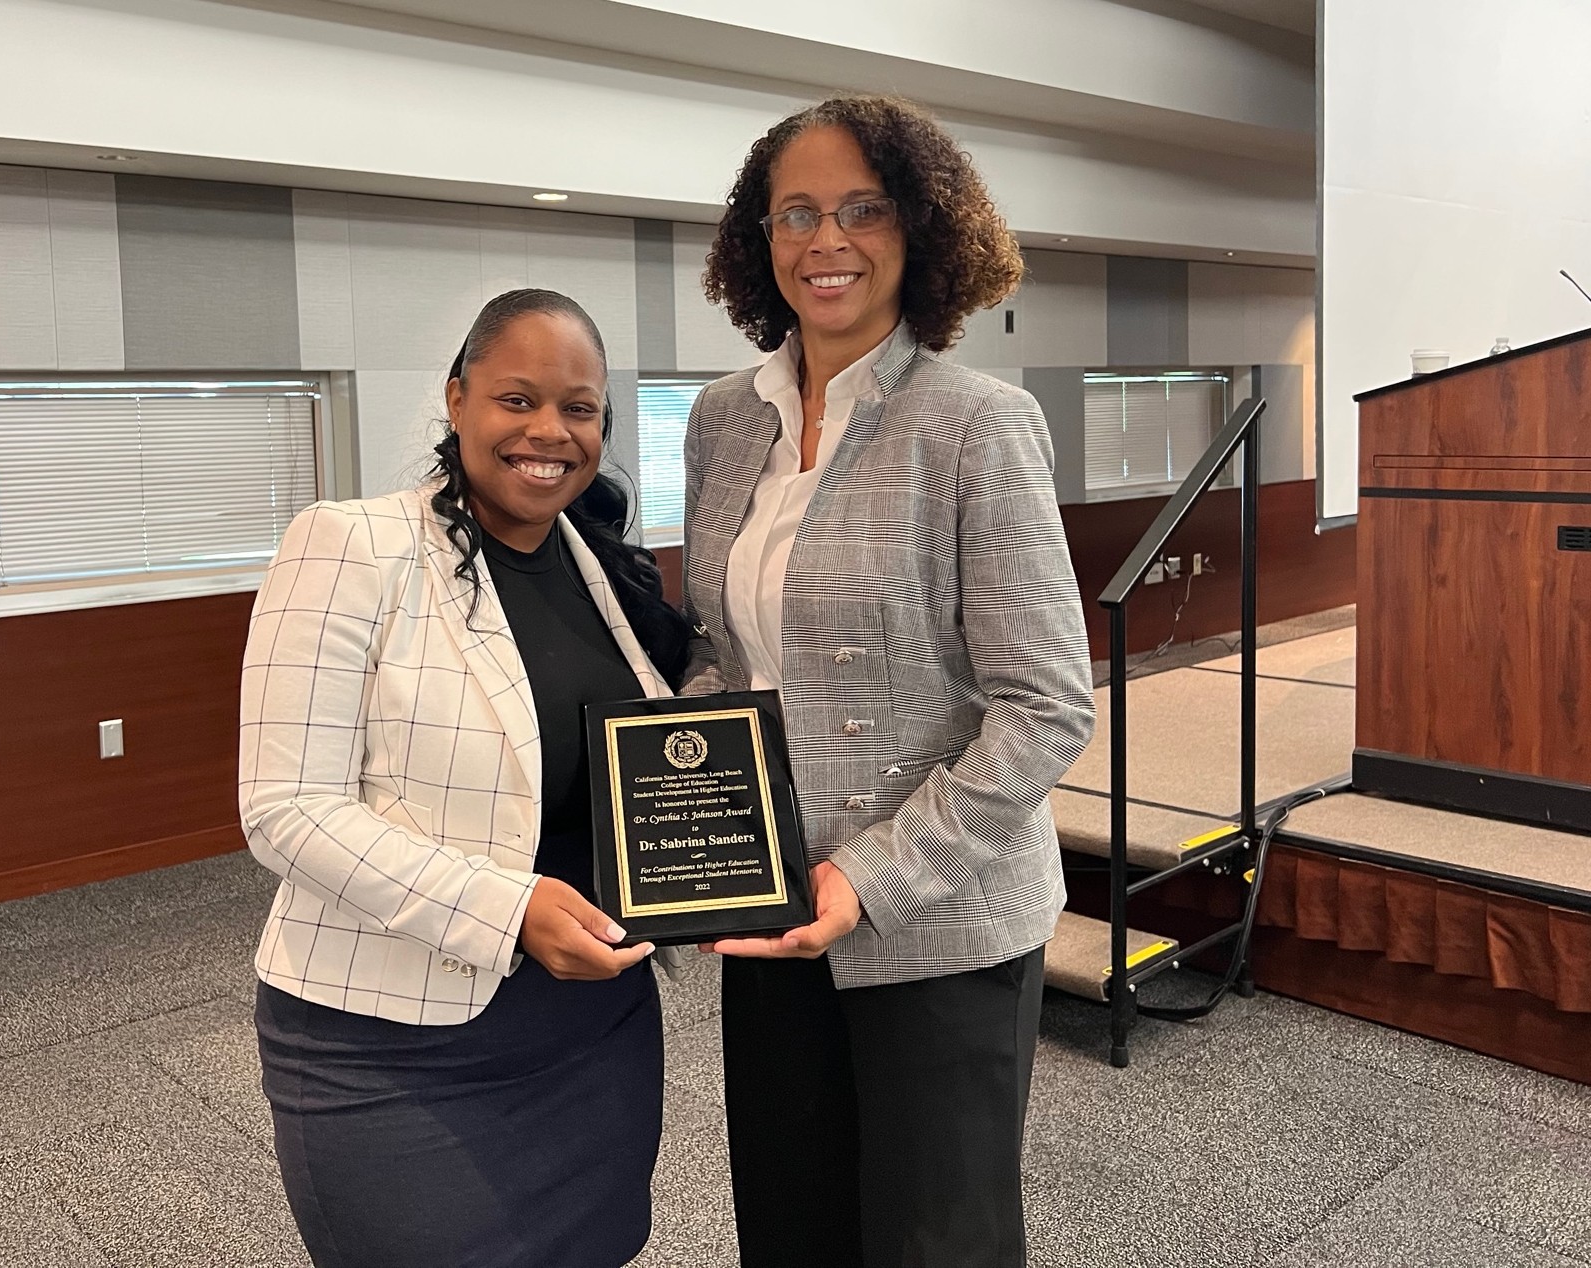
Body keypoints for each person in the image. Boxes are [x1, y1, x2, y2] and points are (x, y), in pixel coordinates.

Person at [682, 95, 1096, 1267]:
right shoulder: (722, 420)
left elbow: (1046, 702)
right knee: (791, 1217)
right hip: (768, 906)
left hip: (938, 920)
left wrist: (868, 877)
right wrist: (682, 826)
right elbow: (728, 652)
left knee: (932, 1243)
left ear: (920, 231)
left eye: (864, 210)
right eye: (796, 213)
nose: (828, 240)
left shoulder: (976, 422)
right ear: (756, 241)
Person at [239, 289, 690, 1268]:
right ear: (456, 398)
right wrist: (503, 907)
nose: (548, 431)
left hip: (594, 1027)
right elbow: (284, 809)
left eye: (579, 408)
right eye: (516, 398)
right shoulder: (352, 544)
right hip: (392, 1042)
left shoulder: (610, 571)